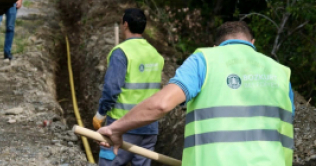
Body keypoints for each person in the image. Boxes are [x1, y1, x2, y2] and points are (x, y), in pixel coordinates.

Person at [98, 21, 294, 166]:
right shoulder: (281, 72)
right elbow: (285, 133)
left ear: (216, 46)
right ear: (253, 42)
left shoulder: (205, 60)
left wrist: (116, 128)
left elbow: (161, 104)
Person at [93, 8, 164, 165]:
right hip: (149, 127)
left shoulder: (121, 53)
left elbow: (112, 90)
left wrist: (100, 114)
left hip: (122, 125)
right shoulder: (155, 54)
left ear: (125, 24)